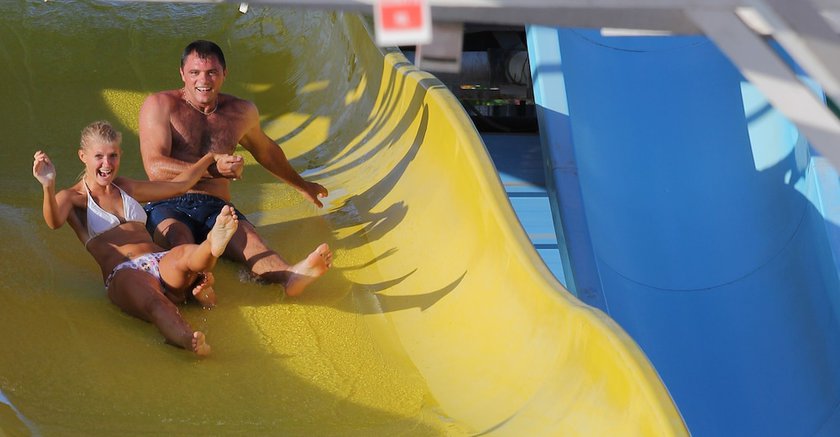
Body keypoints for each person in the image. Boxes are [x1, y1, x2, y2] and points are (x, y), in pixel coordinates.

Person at [139, 39, 332, 297]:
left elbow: (267, 151)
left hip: (215, 205)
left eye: (211, 72)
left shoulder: (240, 112)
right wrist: (214, 169)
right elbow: (155, 168)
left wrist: (302, 185)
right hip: (167, 203)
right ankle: (195, 285)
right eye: (195, 72)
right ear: (182, 74)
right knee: (180, 241)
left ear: (224, 74)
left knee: (252, 242)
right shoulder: (161, 105)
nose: (203, 80)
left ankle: (291, 276)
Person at [32, 120, 240, 356]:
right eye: (98, 156)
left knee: (185, 254)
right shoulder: (73, 198)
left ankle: (213, 244)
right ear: (83, 156)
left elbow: (179, 186)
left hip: (158, 259)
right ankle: (187, 338)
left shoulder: (125, 188)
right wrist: (48, 185)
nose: (107, 164)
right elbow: (53, 222)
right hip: (124, 271)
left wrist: (210, 157)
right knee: (156, 303)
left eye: (113, 156)